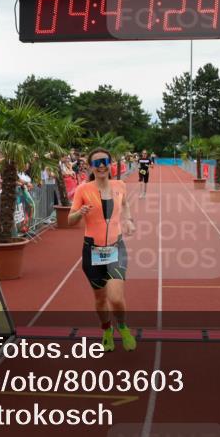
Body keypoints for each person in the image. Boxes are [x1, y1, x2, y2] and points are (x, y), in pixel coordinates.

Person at [68, 148, 137, 352]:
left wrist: (129, 220)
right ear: (91, 167)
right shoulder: (83, 189)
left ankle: (123, 328)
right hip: (93, 250)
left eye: (105, 161)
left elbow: (125, 205)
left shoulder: (120, 185)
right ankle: (107, 330)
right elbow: (69, 221)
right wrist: (80, 212)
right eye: (97, 162)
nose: (101, 165)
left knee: (115, 298)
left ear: (110, 164)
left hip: (116, 248)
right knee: (100, 298)